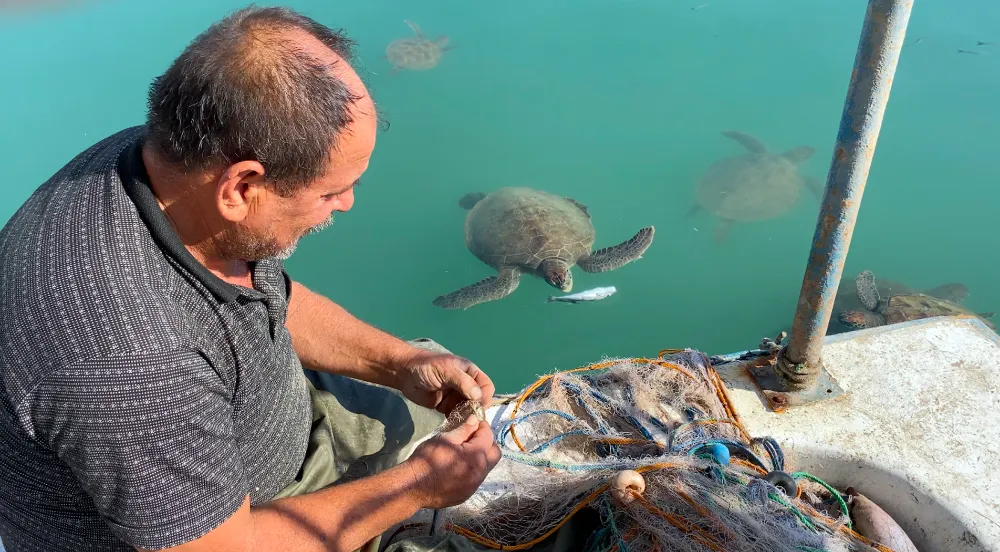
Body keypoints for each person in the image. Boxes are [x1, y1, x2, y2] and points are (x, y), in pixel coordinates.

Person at [0, 6, 501, 552]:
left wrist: (399, 364)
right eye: (331, 192)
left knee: (440, 383)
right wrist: (418, 487)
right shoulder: (131, 363)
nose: (347, 204)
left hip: (273, 424)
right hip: (241, 526)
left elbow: (260, 298)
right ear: (240, 188)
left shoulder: (168, 162)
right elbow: (225, 547)